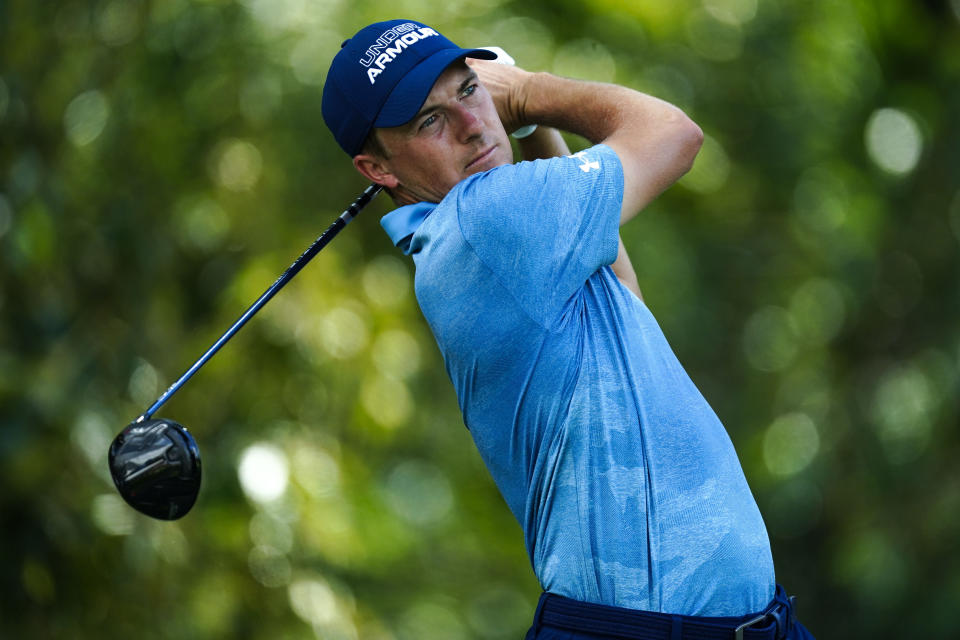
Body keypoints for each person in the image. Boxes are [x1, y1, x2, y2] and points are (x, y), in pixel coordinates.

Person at [322, 19, 814, 640]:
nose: (473, 123)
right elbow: (675, 135)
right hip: (635, 631)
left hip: (745, 624)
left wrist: (533, 130)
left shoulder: (505, 236)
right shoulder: (485, 221)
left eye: (470, 90)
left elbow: (623, 291)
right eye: (429, 121)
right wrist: (528, 92)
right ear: (378, 168)